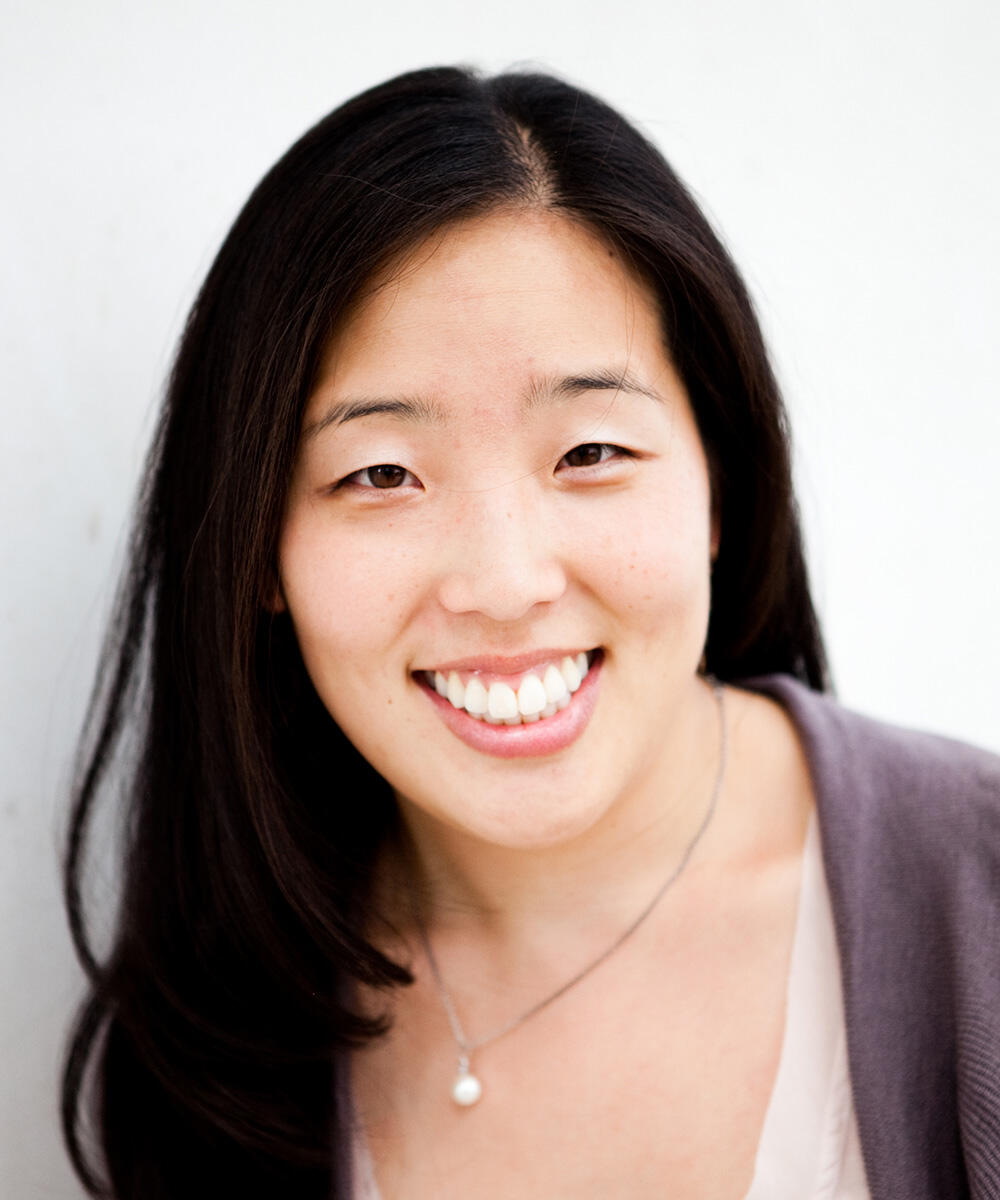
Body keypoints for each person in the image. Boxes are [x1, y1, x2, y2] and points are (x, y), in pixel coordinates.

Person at [60, 66, 1000, 1200]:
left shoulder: (975, 911)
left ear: (718, 484)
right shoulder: (211, 1038)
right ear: (257, 550)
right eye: (381, 473)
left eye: (591, 452)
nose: (505, 583)